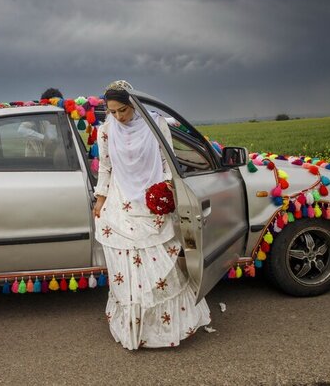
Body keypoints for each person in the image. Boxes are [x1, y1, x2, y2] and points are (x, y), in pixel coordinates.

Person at [92, 80, 211, 350]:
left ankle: (164, 328)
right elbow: (106, 168)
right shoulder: (106, 131)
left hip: (152, 203)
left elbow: (168, 161)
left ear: (133, 104)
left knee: (159, 267)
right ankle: (136, 329)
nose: (119, 117)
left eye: (123, 110)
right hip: (120, 205)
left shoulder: (156, 124)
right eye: (112, 112)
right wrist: (100, 200)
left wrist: (164, 189)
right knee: (128, 269)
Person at [18, 88, 63, 157]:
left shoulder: (62, 119)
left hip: (59, 159)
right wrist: (43, 138)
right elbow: (21, 130)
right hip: (37, 162)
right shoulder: (37, 118)